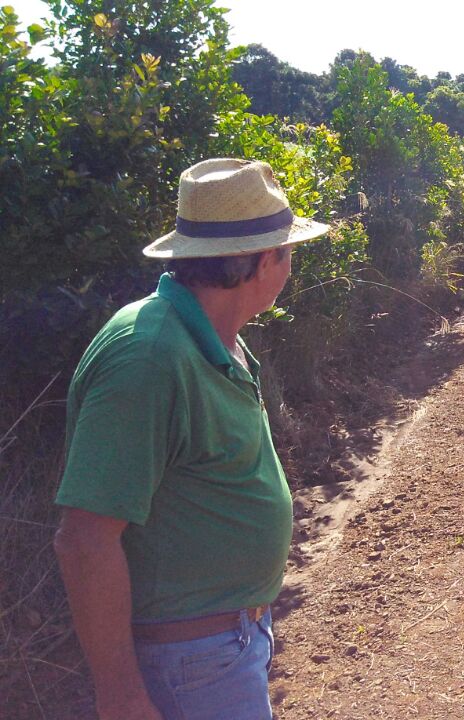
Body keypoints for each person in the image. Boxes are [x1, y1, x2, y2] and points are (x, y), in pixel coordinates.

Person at [53, 158, 329, 720]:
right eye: (286, 251)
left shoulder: (214, 338)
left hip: (224, 645)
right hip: (188, 661)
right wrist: (123, 696)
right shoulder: (148, 357)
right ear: (258, 262)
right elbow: (84, 539)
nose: (291, 264)